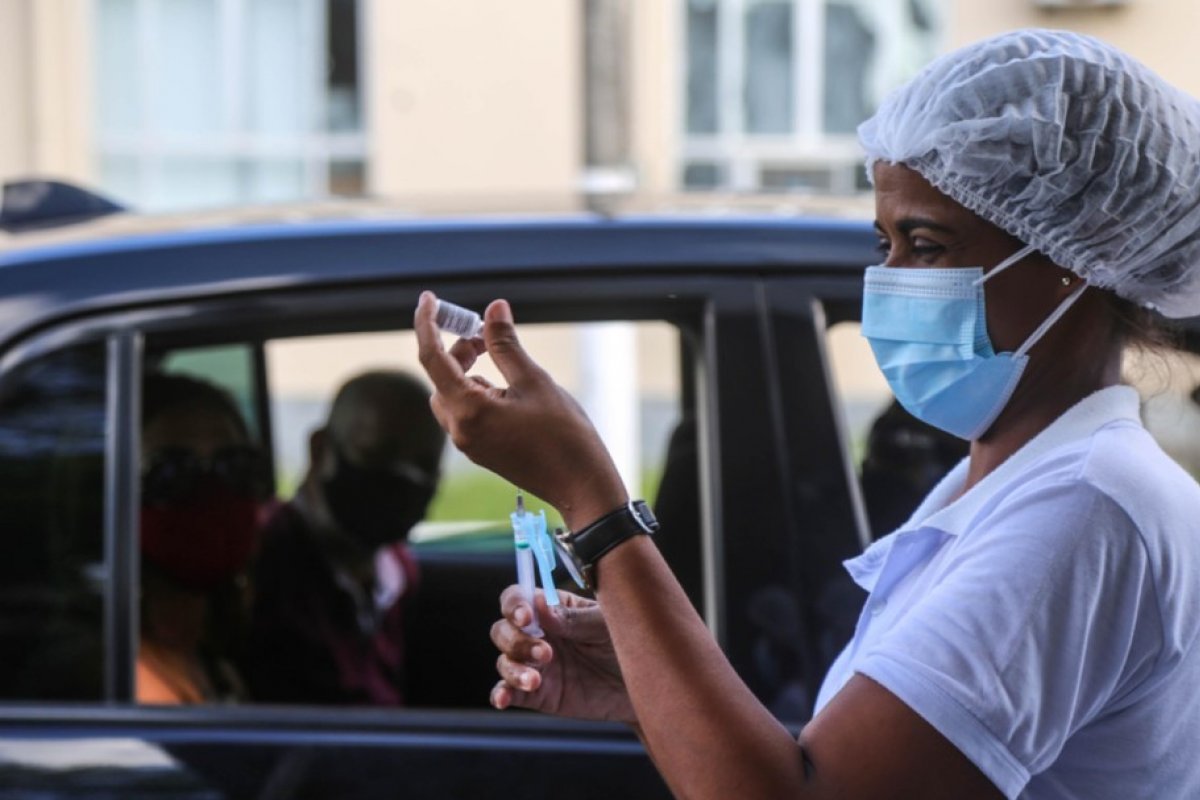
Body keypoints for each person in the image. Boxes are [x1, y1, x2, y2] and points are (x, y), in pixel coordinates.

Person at [414, 29, 1200, 799]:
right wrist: (638, 681)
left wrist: (592, 501)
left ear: (1085, 252)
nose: (886, 280)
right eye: (883, 241)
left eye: (925, 246)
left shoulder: (1085, 510)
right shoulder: (1004, 480)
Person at [245, 369, 444, 705]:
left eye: (424, 467)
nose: (404, 480)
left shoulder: (395, 570)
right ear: (320, 449)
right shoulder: (260, 560)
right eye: (379, 455)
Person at [138, 371, 268, 704]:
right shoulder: (138, 676)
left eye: (234, 466)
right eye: (172, 471)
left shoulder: (209, 651)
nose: (213, 492)